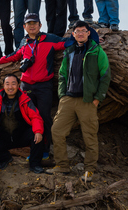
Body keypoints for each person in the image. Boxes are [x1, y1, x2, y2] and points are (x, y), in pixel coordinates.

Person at [0, 13, 69, 158]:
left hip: (44, 86)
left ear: (40, 25)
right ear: (24, 27)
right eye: (29, 24)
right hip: (26, 86)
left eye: (35, 23)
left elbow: (67, 42)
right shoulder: (24, 42)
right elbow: (15, 55)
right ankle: (32, 149)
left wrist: (93, 39)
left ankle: (45, 150)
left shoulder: (50, 39)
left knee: (44, 117)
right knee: (26, 118)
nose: (32, 25)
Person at [47, 21, 111, 182]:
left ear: (89, 33)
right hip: (68, 99)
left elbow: (105, 76)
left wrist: (97, 99)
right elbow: (62, 74)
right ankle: (62, 166)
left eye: (83, 31)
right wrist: (62, 96)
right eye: (77, 31)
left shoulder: (97, 51)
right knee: (57, 131)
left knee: (89, 135)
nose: (80, 33)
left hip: (87, 101)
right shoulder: (69, 51)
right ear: (73, 34)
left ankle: (89, 169)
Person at [0, 74, 46, 174]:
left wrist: (38, 131)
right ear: (3, 86)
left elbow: (36, 117)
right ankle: (5, 158)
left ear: (18, 85)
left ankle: (35, 164)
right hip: (2, 139)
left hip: (21, 137)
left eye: (13, 84)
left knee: (38, 133)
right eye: (7, 84)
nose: (10, 87)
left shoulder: (25, 99)